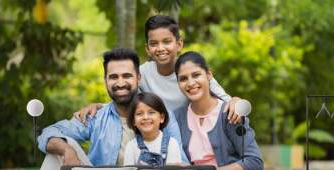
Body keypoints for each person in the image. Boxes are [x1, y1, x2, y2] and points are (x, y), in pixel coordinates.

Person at [173, 51, 296, 170]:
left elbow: (254, 162)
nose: (190, 83)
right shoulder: (177, 118)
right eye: (183, 78)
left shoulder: (230, 112)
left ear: (209, 74)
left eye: (196, 75)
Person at [74, 15, 242, 124]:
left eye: (167, 42)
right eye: (154, 44)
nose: (160, 48)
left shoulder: (190, 72)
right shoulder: (142, 73)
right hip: (155, 136)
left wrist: (234, 100)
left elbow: (224, 99)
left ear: (179, 44)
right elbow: (124, 101)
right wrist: (98, 106)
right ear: (148, 48)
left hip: (189, 135)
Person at [37, 47, 187, 167]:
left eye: (127, 76)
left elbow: (180, 161)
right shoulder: (95, 117)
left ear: (138, 78)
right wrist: (67, 150)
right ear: (105, 80)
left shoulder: (160, 115)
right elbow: (47, 133)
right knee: (55, 152)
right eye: (114, 77)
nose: (120, 83)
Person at [124, 92, 183, 166]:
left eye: (151, 112)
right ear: (133, 121)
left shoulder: (171, 143)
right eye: (139, 114)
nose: (145, 117)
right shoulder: (131, 146)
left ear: (161, 118)